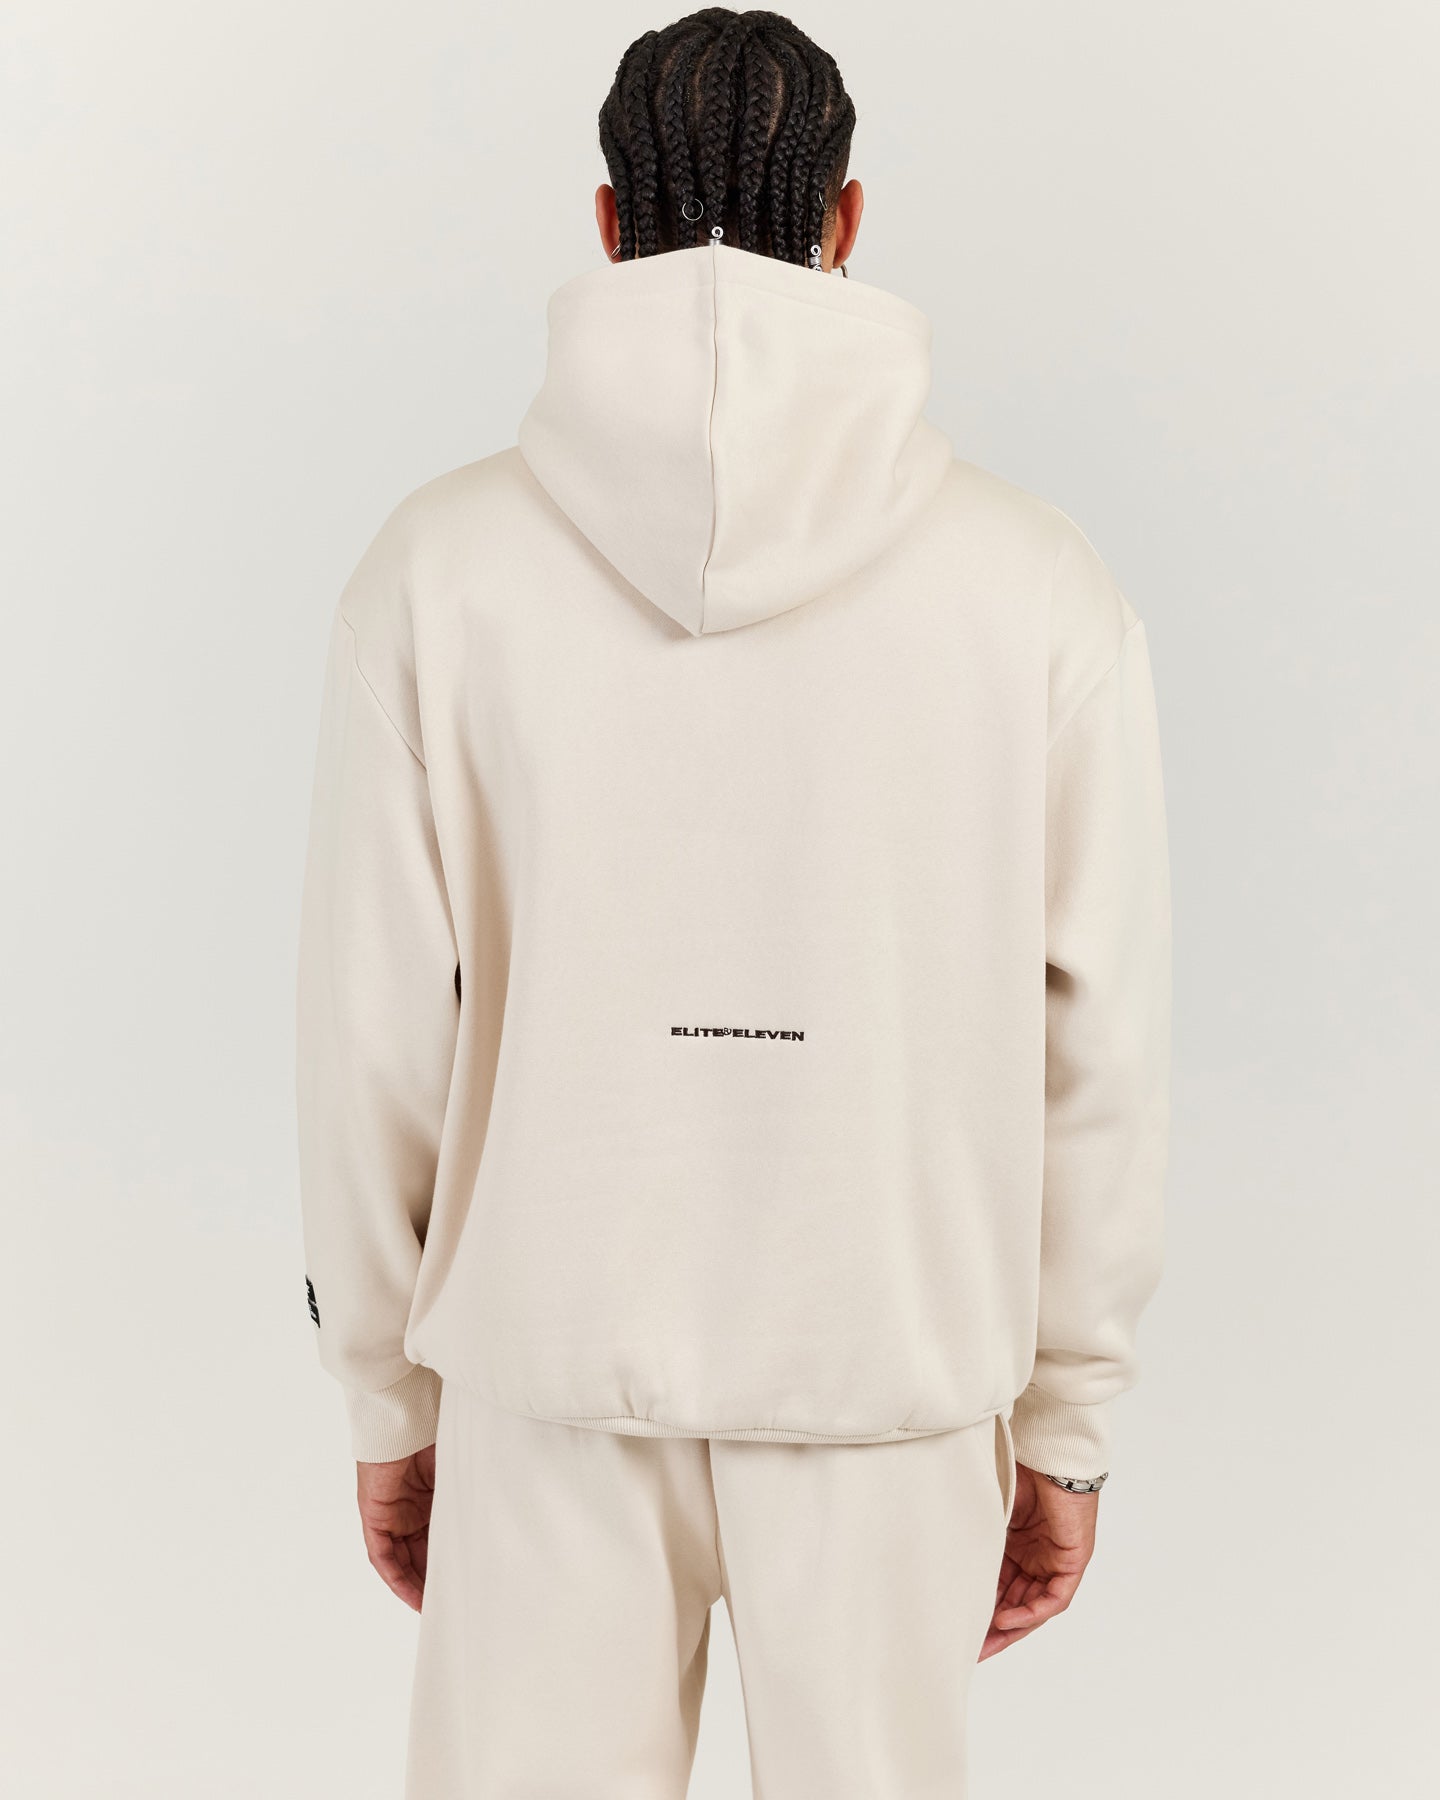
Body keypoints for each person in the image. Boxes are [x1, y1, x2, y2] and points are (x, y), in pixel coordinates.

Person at [294, 8, 1172, 1796]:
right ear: (844, 222)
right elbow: (1102, 1049)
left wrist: (387, 1392)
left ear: (605, 222)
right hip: (893, 1381)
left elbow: (371, 1035)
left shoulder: (437, 571)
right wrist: (1067, 1423)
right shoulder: (1036, 588)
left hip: (544, 1379)